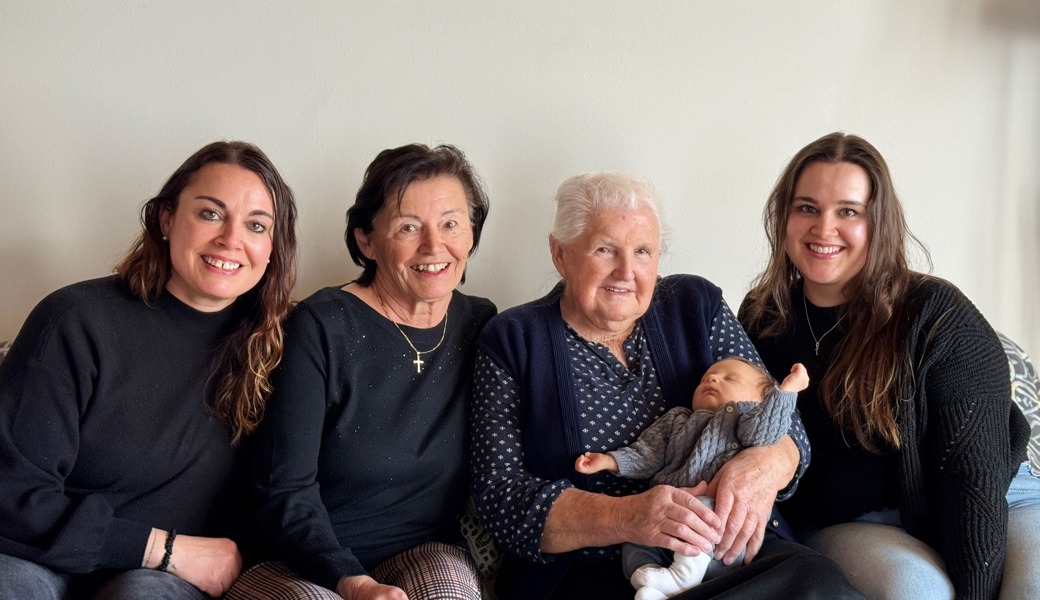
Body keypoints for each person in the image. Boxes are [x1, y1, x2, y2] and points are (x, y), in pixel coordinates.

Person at [471, 171, 863, 600]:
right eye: (605, 249)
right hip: (598, 571)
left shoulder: (694, 305)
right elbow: (500, 498)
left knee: (820, 584)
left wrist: (762, 466)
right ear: (560, 254)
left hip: (726, 552)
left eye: (643, 251)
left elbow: (785, 422)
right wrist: (627, 516)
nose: (626, 271)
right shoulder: (513, 339)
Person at [739, 131, 1037, 600]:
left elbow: (970, 473)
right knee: (915, 590)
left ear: (878, 223)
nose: (824, 229)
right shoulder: (761, 318)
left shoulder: (935, 313)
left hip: (999, 495)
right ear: (785, 217)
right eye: (807, 208)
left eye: (848, 212)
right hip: (858, 522)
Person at [0, 140, 299, 599]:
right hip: (35, 557)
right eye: (210, 214)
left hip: (160, 583)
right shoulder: (75, 321)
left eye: (256, 225)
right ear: (166, 219)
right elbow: (12, 496)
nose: (230, 240)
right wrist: (163, 548)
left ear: (273, 246)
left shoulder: (283, 344)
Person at [230, 144, 496, 600]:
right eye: (408, 227)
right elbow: (282, 487)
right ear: (366, 241)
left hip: (424, 549)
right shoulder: (321, 326)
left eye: (451, 223)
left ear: (471, 234)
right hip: (296, 560)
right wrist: (352, 582)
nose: (434, 246)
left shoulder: (481, 325)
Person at [575, 358, 809, 599]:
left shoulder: (744, 417)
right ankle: (647, 579)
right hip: (666, 516)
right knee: (633, 536)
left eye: (730, 378)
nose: (712, 379)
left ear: (761, 400)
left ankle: (682, 577)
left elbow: (766, 431)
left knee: (705, 510)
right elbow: (648, 453)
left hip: (720, 526)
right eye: (705, 378)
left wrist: (786, 391)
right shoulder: (677, 420)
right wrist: (610, 461)